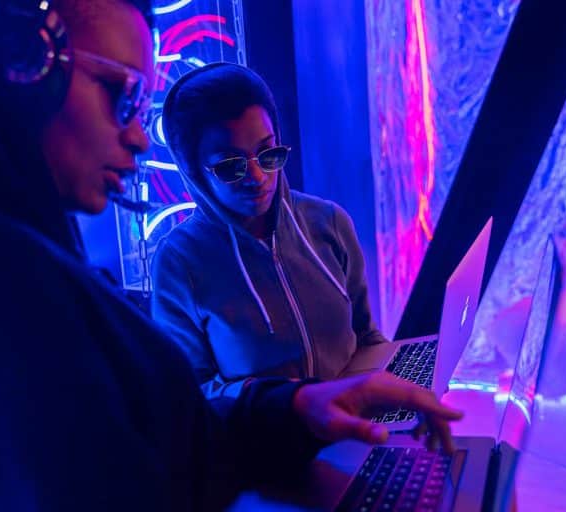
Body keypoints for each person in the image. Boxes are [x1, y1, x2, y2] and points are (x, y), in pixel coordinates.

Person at [0, 1, 462, 510]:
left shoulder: (31, 266)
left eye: (268, 153)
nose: (134, 136)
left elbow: (186, 445)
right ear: (26, 60)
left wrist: (304, 409)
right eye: (119, 92)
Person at [153, 63, 389, 399]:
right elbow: (187, 396)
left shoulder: (329, 223)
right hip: (265, 449)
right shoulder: (180, 262)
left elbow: (366, 338)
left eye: (268, 153)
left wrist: (398, 389)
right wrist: (285, 404)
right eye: (232, 166)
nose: (258, 177)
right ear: (194, 172)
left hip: (359, 434)